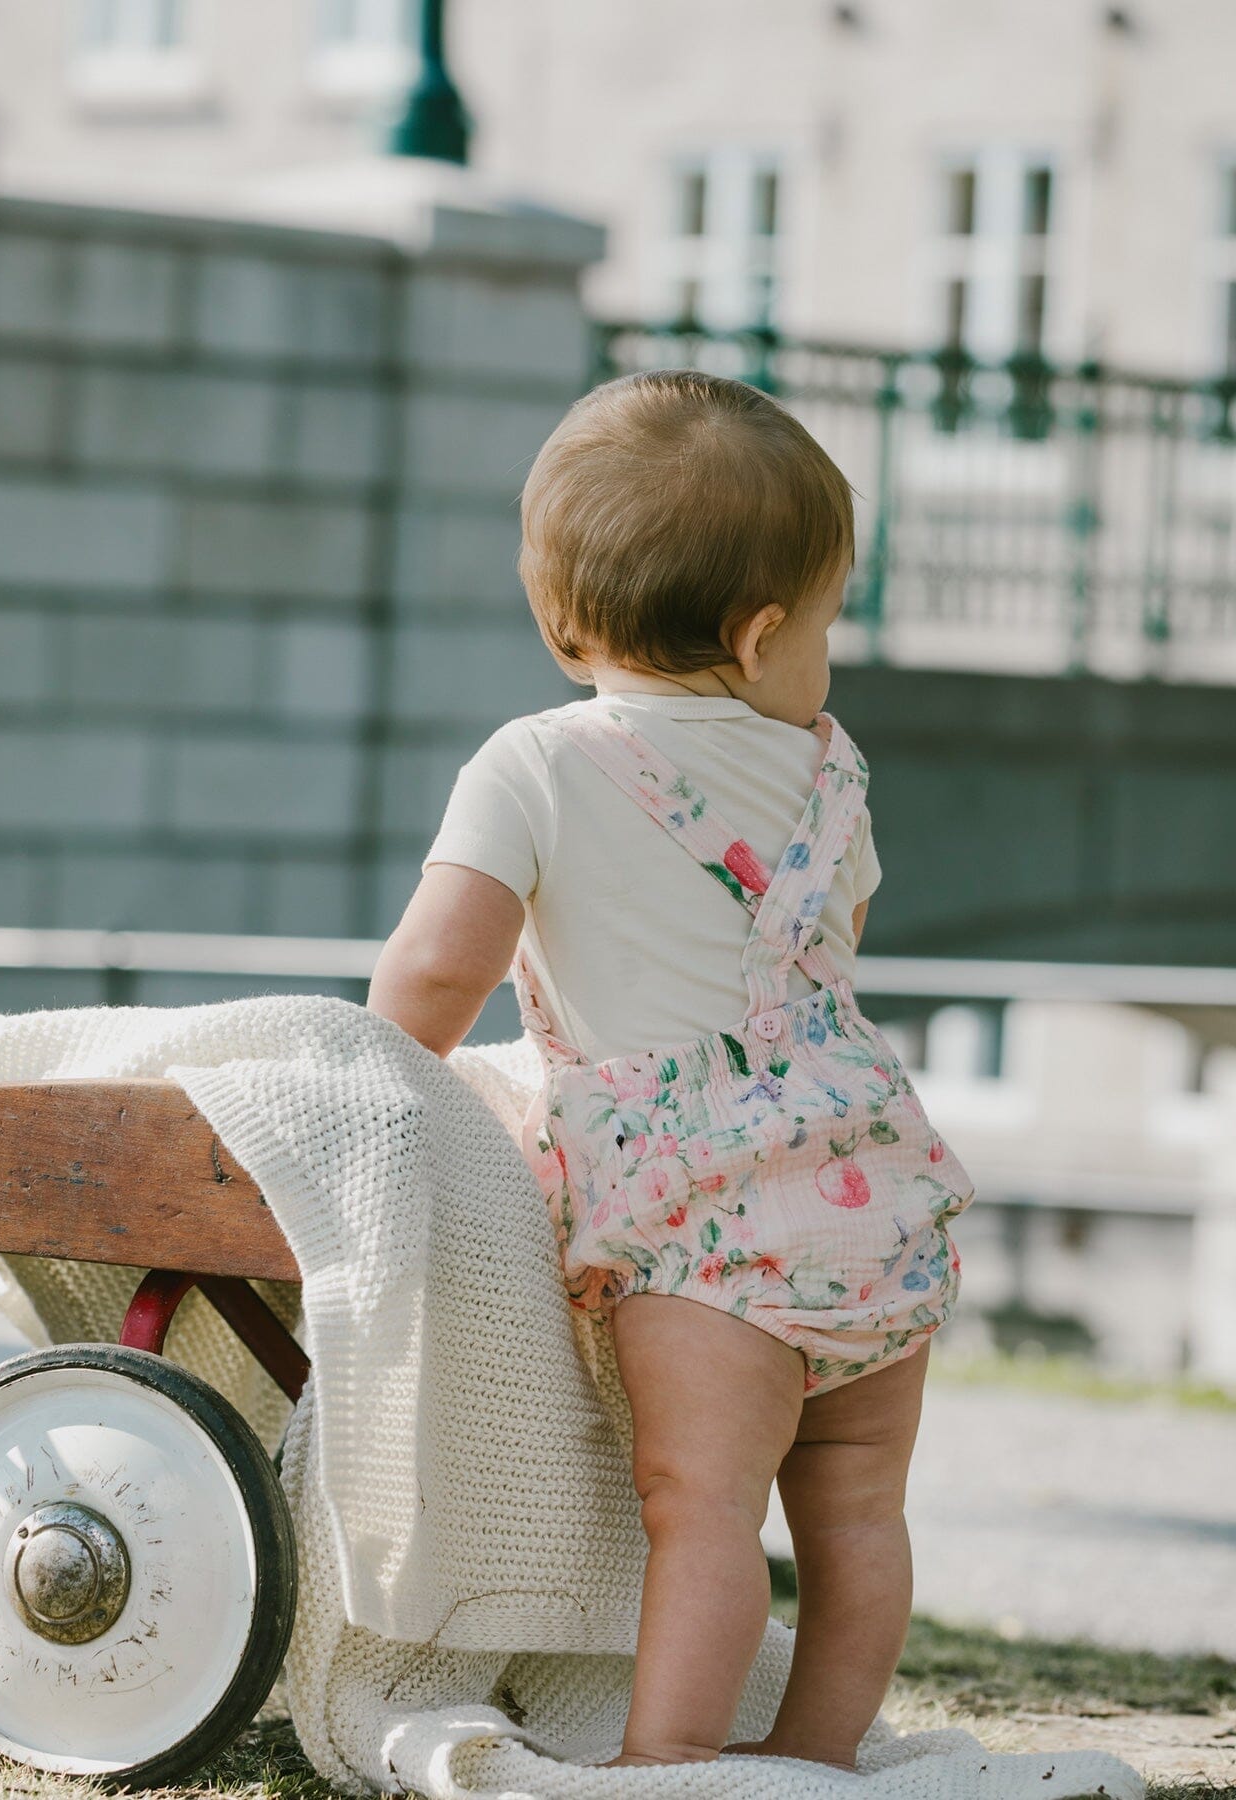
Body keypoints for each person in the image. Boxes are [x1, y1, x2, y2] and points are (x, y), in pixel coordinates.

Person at [364, 369, 975, 1774]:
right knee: (860, 1513)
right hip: (869, 1179)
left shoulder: (535, 764)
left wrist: (383, 1078)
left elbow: (442, 969)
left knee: (703, 1509)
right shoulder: (832, 774)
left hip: (700, 1211)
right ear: (763, 637)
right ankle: (817, 1761)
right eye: (826, 628)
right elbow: (825, 959)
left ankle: (671, 1767)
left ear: (562, 612)